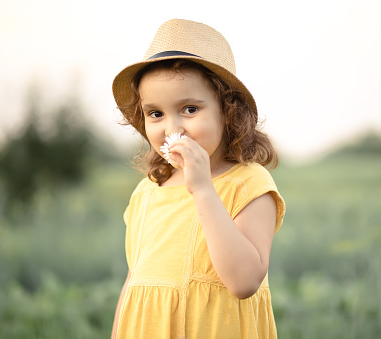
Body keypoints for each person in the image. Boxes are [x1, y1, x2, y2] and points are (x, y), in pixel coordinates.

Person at [110, 18, 285, 339]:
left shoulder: (248, 184)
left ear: (228, 111)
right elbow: (134, 280)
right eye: (156, 113)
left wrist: (203, 188)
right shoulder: (147, 192)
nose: (172, 128)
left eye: (189, 109)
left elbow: (245, 282)